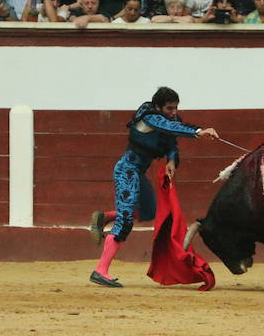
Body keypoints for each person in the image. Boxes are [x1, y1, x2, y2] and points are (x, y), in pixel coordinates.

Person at [88, 86, 219, 288]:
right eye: (169, 108)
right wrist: (199, 131)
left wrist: (172, 161)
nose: (173, 112)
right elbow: (168, 128)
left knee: (149, 211)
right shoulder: (149, 117)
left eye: (175, 108)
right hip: (127, 171)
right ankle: (100, 270)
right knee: (126, 221)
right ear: (158, 107)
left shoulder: (169, 120)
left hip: (138, 174)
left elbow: (171, 143)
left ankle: (105, 216)